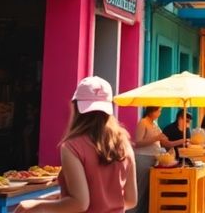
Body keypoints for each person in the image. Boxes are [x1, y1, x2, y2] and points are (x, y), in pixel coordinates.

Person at [16, 76, 136, 212]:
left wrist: (37, 205)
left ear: (75, 106)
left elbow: (80, 203)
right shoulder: (124, 143)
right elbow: (131, 200)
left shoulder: (72, 146)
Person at [130, 106, 168, 213]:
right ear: (152, 111)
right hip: (143, 158)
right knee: (140, 189)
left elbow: (165, 141)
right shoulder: (143, 122)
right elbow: (138, 143)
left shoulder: (155, 124)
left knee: (148, 191)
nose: (160, 113)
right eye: (159, 111)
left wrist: (181, 141)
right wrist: (156, 138)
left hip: (153, 159)